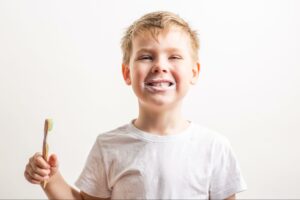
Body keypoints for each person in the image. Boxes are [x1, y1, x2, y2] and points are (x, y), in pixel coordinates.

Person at [24, 11, 247, 199]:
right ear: (127, 73)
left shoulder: (215, 148)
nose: (160, 66)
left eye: (174, 57)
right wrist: (51, 179)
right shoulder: (108, 146)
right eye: (146, 57)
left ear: (194, 72)